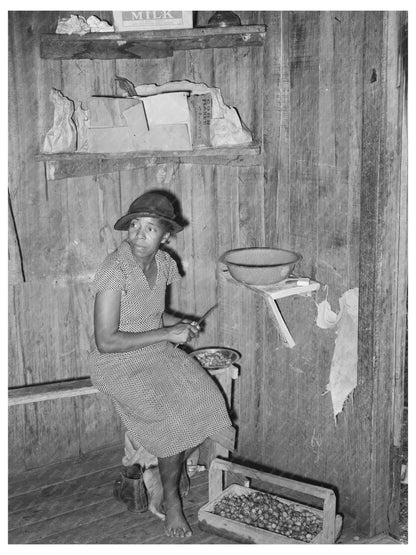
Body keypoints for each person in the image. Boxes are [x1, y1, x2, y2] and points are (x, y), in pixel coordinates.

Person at [87, 190, 234, 538]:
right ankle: (171, 502)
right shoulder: (114, 270)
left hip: (154, 352)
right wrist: (168, 334)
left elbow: (153, 315)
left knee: (208, 402)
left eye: (150, 228)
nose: (139, 233)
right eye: (134, 225)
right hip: (117, 364)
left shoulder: (163, 263)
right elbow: (105, 341)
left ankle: (165, 468)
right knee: (174, 420)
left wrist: (179, 325)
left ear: (165, 236)